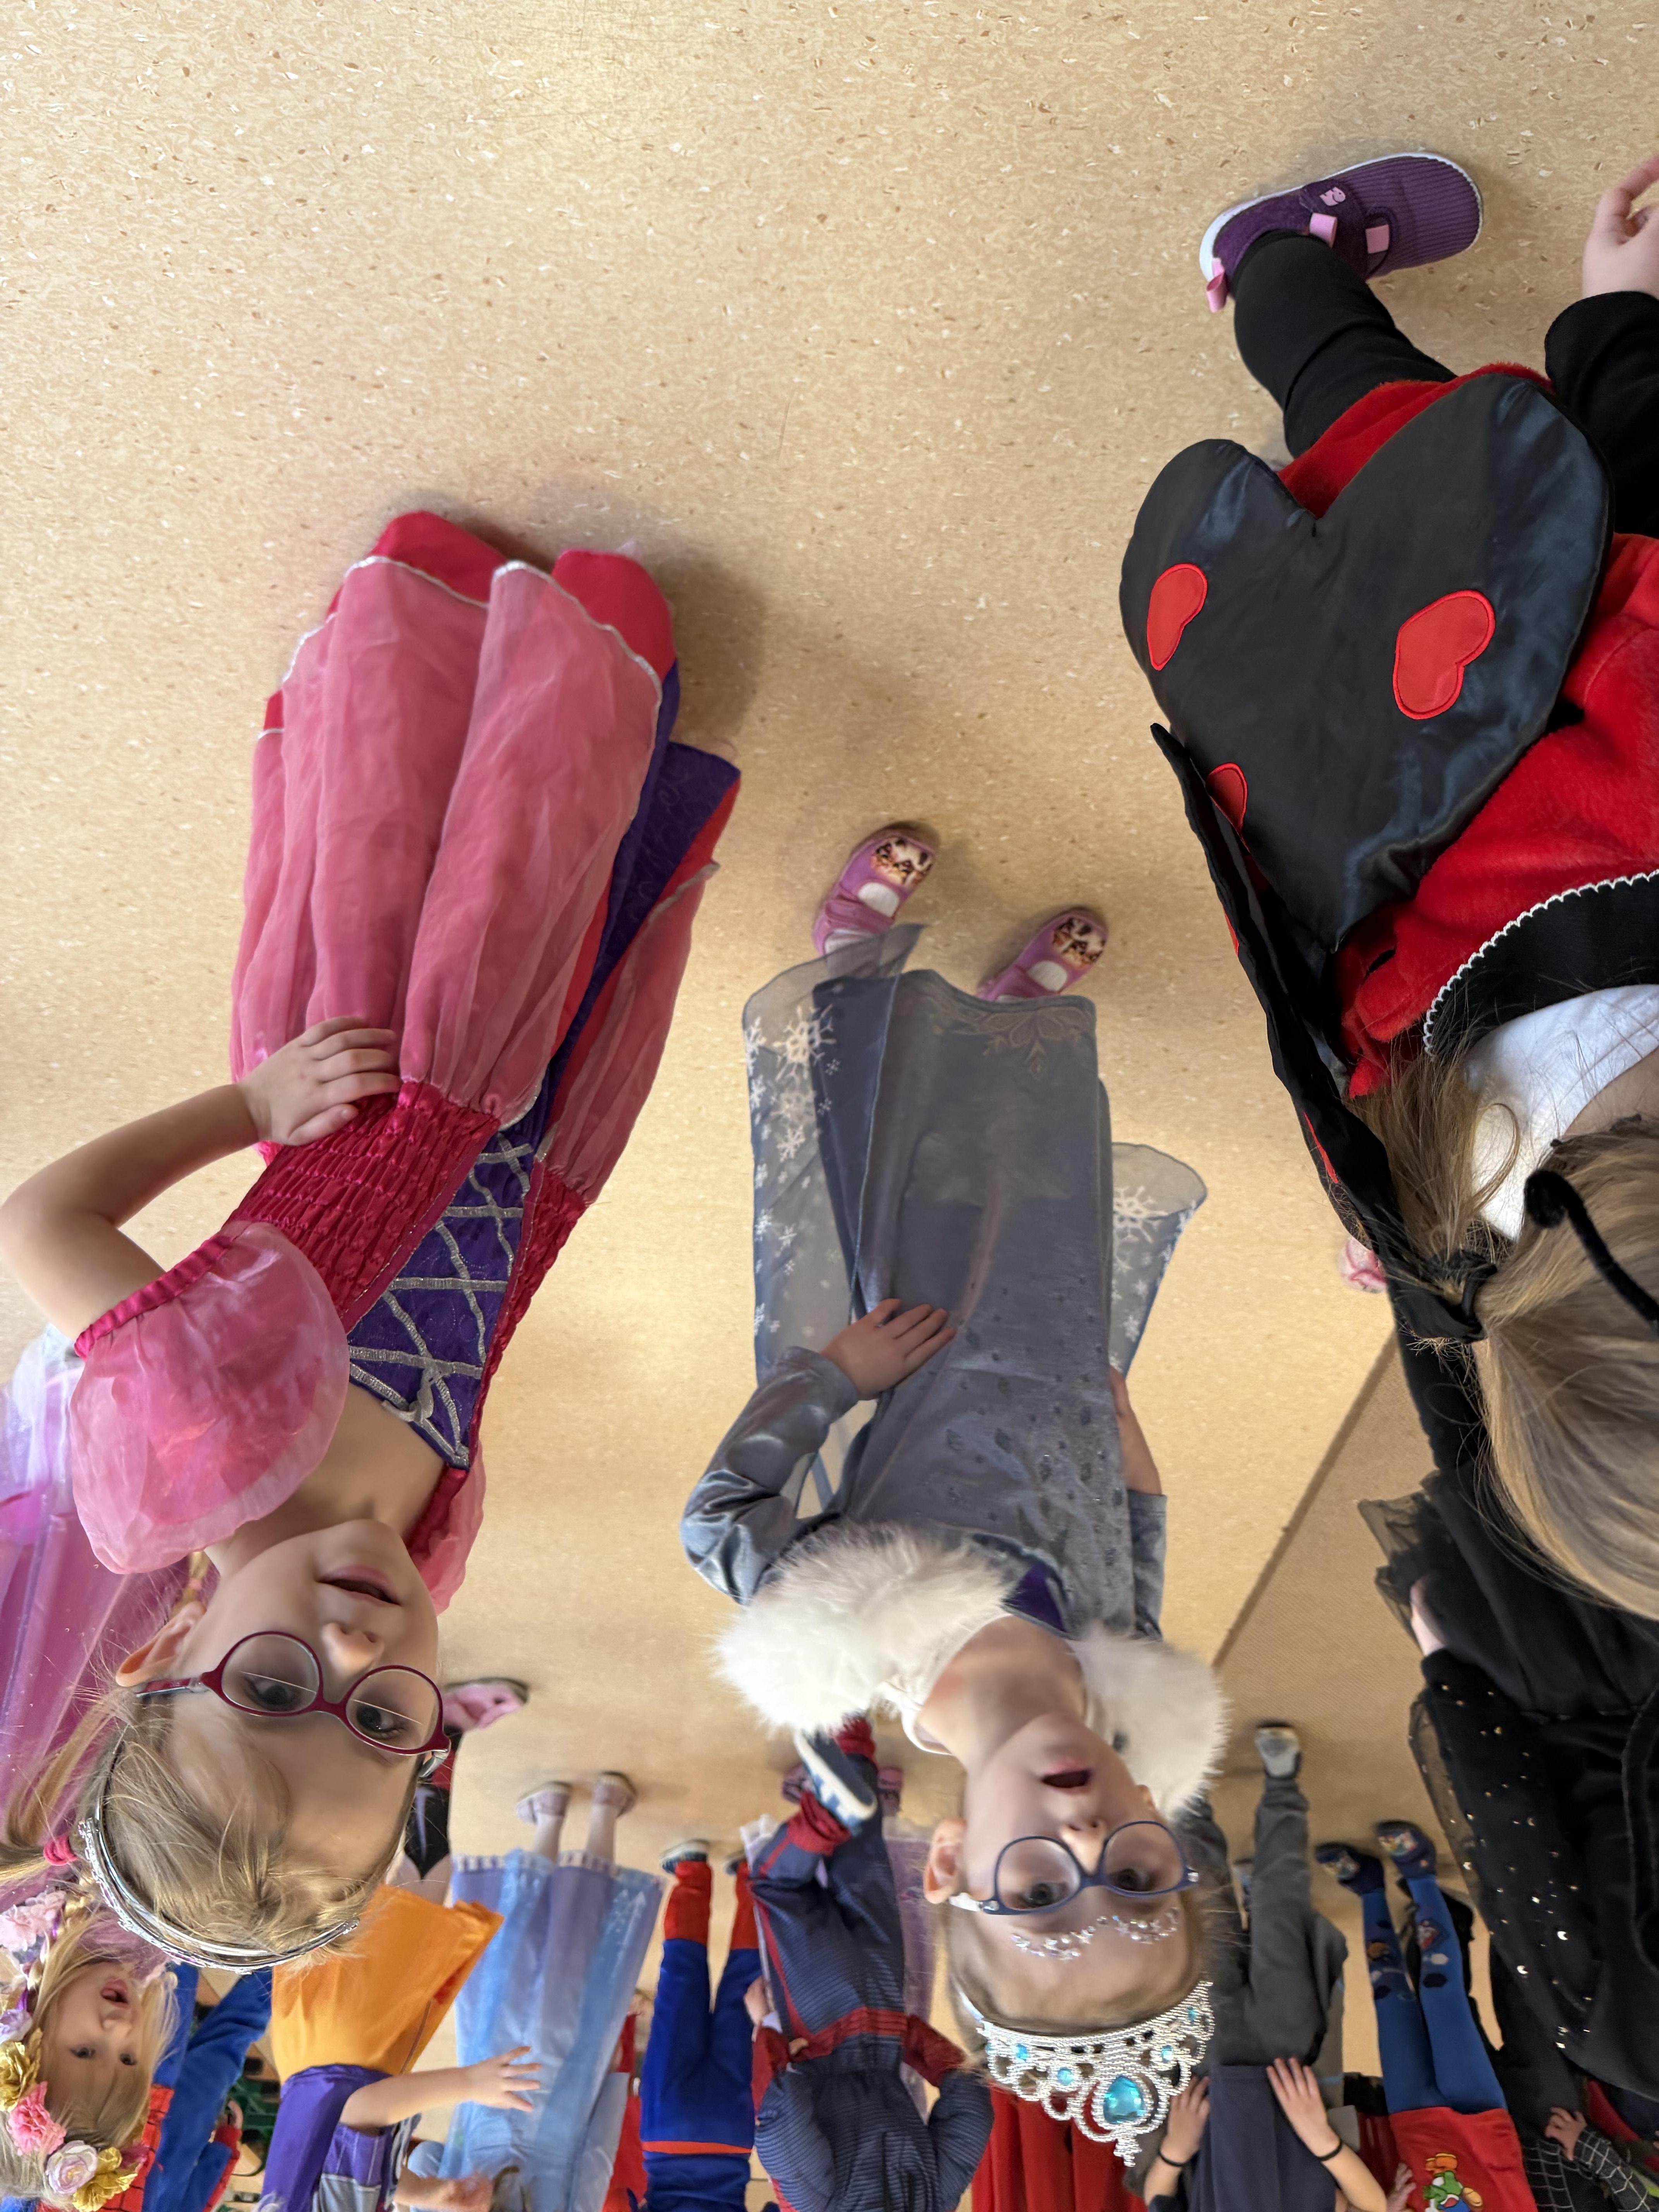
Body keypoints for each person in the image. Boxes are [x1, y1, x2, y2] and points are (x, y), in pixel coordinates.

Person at [0, 511, 740, 1970]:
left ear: (164, 1655)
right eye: (385, 1721)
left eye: (275, 1692)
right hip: (532, 1156)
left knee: (438, 853)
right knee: (576, 895)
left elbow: (43, 1220)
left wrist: (250, 1106)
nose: (354, 1654)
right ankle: (599, 714)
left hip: (389, 1062)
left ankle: (457, 634)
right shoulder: (423, 1553)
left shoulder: (192, 1439)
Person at [1121, 148, 1659, 1621]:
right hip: (1328, 708)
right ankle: (1272, 266)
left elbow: (1638, 492)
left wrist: (1618, 319)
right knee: (1345, 396)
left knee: (1391, 417)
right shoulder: (1450, 1214)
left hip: (1500, 570)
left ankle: (1283, 260)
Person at [681, 830, 1222, 2166]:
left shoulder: (854, 1632)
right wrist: (1131, 1441)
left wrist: (835, 1375)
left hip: (911, 1329)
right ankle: (1015, 1036)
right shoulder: (1122, 1679)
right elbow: (1139, 1546)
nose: (1085, 1834)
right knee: (1041, 1198)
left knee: (902, 1184)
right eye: (1135, 1875)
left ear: (947, 1865)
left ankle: (856, 977)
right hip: (1053, 1349)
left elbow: (720, 1516)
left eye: (1037, 1887)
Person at [1364, 1324, 1659, 2116]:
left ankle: (1515, 1261)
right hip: (1566, 1678)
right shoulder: (1622, 2044)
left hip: (1635, 1623)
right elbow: (1513, 1833)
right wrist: (1451, 1680)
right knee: (1476, 1456)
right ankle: (1408, 1260)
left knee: (1606, 1407)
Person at [744, 1719, 991, 2212]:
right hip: (820, 2019)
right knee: (778, 1888)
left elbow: (972, 2106)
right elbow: (779, 2115)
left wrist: (909, 2036)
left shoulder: (936, 2202)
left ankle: (853, 1735)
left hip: (884, 2016)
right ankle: (826, 1809)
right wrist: (768, 2033)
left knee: (864, 1869)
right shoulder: (822, 2205)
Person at [1136, 1724, 1384, 2212]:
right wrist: (1321, 2140)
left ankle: (1191, 1789)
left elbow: (1158, 2196)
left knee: (1201, 1906)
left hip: (1210, 2063)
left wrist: (1175, 2151)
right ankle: (1283, 1784)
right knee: (1280, 1908)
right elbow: (1370, 2209)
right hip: (1291, 2061)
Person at [436, 1773, 663, 2212]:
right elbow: (426, 2156)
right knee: (514, 1950)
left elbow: (597, 2157)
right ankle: (549, 1816)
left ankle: (607, 1808)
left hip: (566, 2085)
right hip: (490, 2070)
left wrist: (615, 2078)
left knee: (578, 1951)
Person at [1319, 1823, 1534, 2212]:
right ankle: (1421, 1877)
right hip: (1479, 2117)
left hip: (1414, 2123)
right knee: (1441, 1995)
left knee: (1390, 2002)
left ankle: (1370, 1891)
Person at [0, 1874, 177, 2210]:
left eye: (85, 2051)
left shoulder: (23, 1896)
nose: (120, 2029)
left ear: (27, 2038)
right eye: (128, 2059)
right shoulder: (145, 1959)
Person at [626, 1843, 759, 2212]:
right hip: (667, 2135)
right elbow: (624, 2200)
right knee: (678, 1989)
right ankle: (691, 1870)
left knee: (746, 1993)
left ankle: (754, 1875)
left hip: (732, 2136)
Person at [145, 1967, 273, 2212]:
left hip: (173, 2115)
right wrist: (227, 2143)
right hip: (176, 2115)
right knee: (174, 1997)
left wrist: (227, 2143)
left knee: (231, 2031)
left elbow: (203, 2198)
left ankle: (285, 1960)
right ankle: (283, 1961)